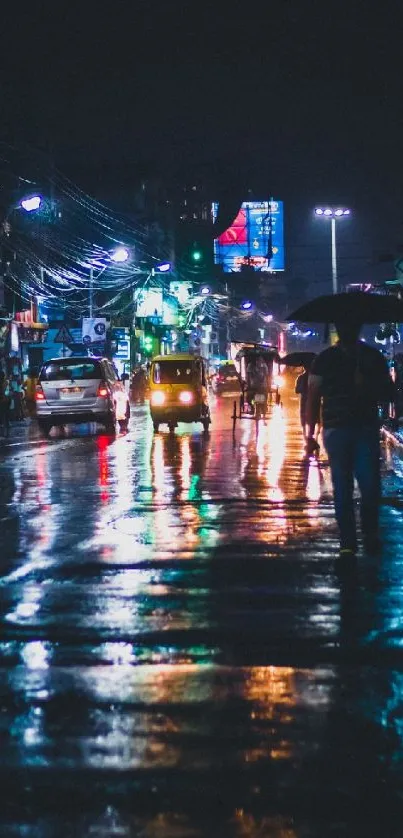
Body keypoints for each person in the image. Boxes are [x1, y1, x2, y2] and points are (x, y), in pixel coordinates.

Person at [305, 320, 395, 559]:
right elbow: (313, 398)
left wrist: (367, 385)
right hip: (339, 429)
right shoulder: (326, 359)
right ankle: (349, 541)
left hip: (361, 428)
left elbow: (388, 392)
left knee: (367, 486)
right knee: (346, 487)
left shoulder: (370, 358)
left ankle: (367, 534)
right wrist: (310, 435)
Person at [0, 370, 11, 436]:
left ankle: (3, 427)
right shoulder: (6, 382)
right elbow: (7, 392)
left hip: (2, 401)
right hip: (6, 401)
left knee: (2, 415)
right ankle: (7, 426)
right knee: (6, 414)